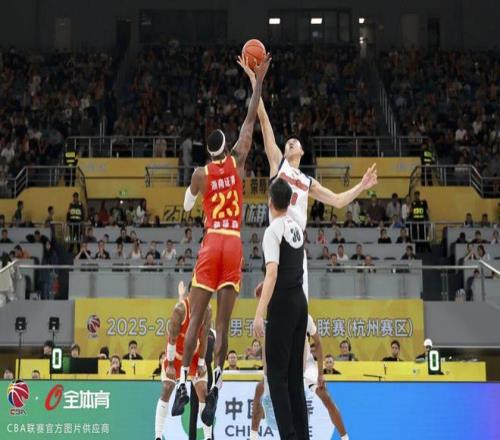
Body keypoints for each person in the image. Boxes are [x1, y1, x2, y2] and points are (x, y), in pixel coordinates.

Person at [171, 53, 271, 426]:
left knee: (196, 318)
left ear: (208, 151)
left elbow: (186, 206)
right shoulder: (239, 159)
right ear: (227, 147)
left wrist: (194, 195)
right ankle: (215, 387)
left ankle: (183, 385)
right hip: (234, 243)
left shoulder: (200, 174)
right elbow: (251, 116)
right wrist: (257, 79)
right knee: (224, 327)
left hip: (213, 240)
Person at [239, 54, 377, 304]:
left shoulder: (308, 181)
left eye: (295, 142)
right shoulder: (278, 163)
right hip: (277, 237)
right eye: (288, 142)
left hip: (297, 245)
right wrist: (255, 80)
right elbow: (263, 118)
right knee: (277, 308)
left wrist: (362, 185)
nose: (290, 142)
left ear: (302, 151)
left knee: (300, 309)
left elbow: (338, 200)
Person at [252, 177, 309, 440]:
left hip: (283, 305)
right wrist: (266, 283)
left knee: (276, 376)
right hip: (299, 303)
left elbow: (274, 272)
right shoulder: (295, 227)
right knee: (295, 378)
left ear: (270, 202)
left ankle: (288, 436)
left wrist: (259, 313)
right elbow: (287, 267)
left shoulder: (272, 230)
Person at [251, 315, 349, 440]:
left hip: (306, 365)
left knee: (324, 395)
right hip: (284, 365)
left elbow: (318, 343)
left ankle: (345, 437)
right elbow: (268, 346)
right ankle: (253, 436)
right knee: (259, 389)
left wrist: (320, 374)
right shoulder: (277, 315)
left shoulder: (305, 317)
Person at [155, 281, 212, 440]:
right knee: (167, 388)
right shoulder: (180, 310)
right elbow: (172, 340)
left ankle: (208, 437)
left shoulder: (207, 310)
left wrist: (201, 363)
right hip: (176, 356)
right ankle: (158, 436)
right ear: (191, 293)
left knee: (203, 392)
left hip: (194, 355)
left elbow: (204, 338)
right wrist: (170, 365)